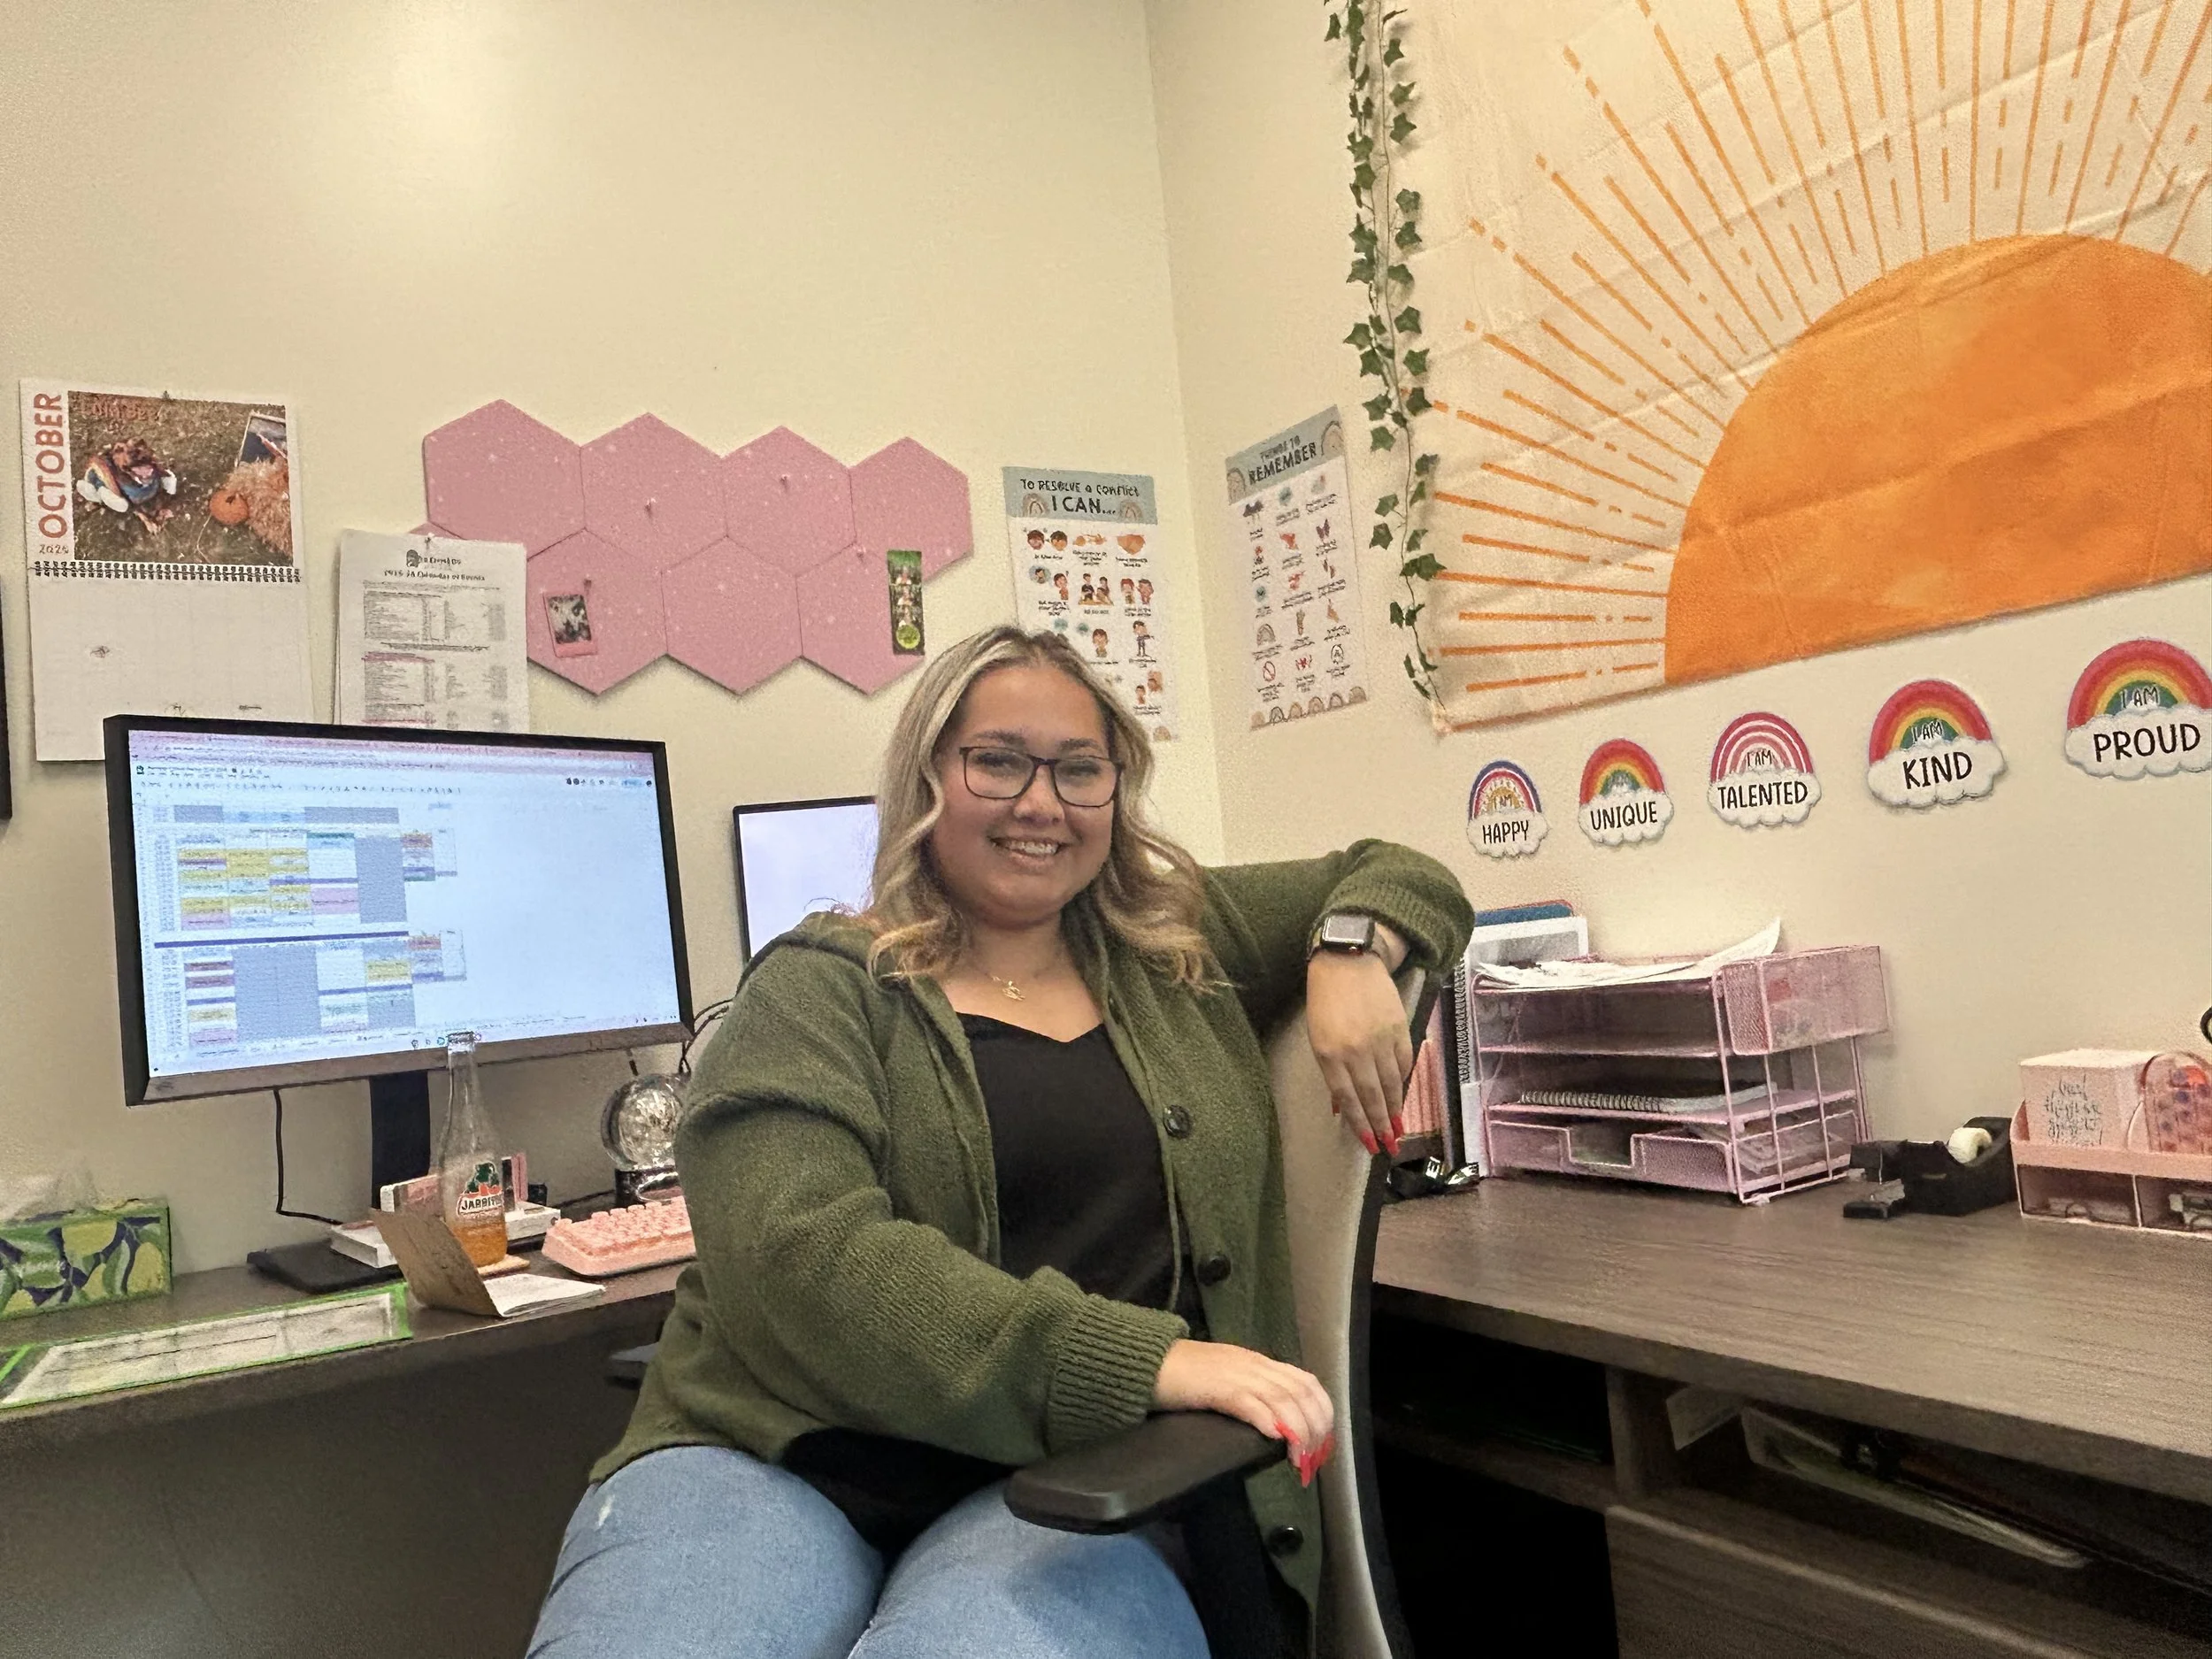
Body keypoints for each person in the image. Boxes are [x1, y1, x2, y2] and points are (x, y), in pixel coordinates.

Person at [526, 626, 1471, 1659]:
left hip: (1065, 1482)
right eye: (997, 761)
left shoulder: (1177, 946)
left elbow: (1400, 872)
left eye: (1079, 770)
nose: (1040, 802)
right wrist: (1144, 1362)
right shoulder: (819, 984)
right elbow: (802, 1260)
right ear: (929, 776)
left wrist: (1345, 951)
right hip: (778, 1458)